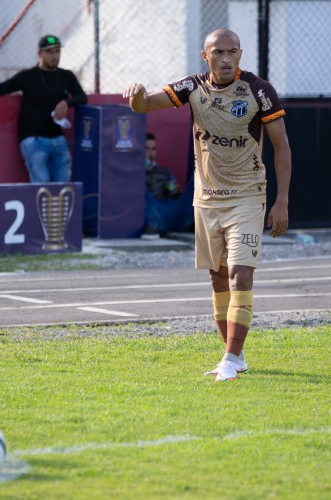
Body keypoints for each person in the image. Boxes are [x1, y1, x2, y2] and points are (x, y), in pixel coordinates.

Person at [123, 28, 292, 382]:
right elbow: (144, 106)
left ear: (241, 54)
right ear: (206, 56)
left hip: (248, 195)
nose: (226, 58)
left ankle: (229, 358)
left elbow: (282, 147)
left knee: (239, 273)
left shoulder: (260, 91)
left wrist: (282, 201)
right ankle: (236, 355)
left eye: (232, 52)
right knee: (218, 279)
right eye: (219, 52)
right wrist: (136, 95)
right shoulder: (192, 88)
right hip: (207, 200)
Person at [0, 35, 87, 183]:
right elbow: (1, 88)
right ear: (40, 54)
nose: (55, 56)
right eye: (50, 52)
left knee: (63, 188)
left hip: (58, 139)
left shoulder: (67, 76)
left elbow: (82, 97)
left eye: (57, 51)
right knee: (42, 188)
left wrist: (67, 103)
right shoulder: (28, 76)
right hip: (34, 139)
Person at [141, 132, 194, 240]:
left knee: (197, 175)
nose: (150, 153)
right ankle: (152, 227)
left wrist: (173, 190)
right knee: (144, 194)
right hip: (155, 215)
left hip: (173, 213)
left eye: (153, 149)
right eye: (147, 149)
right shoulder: (136, 173)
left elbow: (177, 195)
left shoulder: (164, 171)